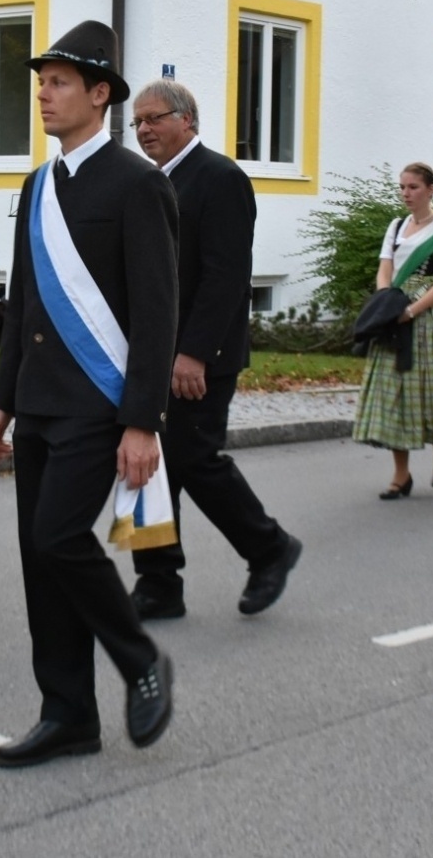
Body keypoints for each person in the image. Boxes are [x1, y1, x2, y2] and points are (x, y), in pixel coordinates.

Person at [0, 21, 176, 769]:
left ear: (100, 94)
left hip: (101, 402)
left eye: (59, 82)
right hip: (40, 402)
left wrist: (143, 421)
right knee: (40, 558)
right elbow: (22, 300)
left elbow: (158, 313)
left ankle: (140, 658)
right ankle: (67, 713)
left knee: (60, 536)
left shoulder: (138, 183)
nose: (43, 93)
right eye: (41, 81)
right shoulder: (37, 186)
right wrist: (1, 399)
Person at [126, 79, 302, 621]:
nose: (144, 130)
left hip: (201, 357)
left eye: (154, 118)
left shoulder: (220, 178)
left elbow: (227, 277)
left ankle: (269, 547)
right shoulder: (146, 183)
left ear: (188, 120)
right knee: (143, 468)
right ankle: (158, 583)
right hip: (150, 353)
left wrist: (194, 351)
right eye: (136, 123)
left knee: (193, 458)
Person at [352, 162, 433, 498]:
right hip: (393, 314)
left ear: (430, 189)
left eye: (413, 187)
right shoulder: (396, 226)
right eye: (402, 187)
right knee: (394, 394)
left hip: (426, 319)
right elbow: (385, 269)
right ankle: (401, 476)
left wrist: (410, 311)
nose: (406, 194)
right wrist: (386, 301)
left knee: (432, 392)